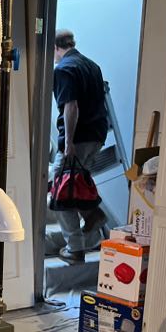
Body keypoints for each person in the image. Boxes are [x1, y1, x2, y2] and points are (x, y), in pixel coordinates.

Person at [51, 29, 109, 263]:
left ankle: (75, 249)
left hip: (79, 138)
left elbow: (71, 106)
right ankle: (93, 214)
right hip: (96, 135)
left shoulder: (64, 69)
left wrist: (69, 143)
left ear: (56, 47)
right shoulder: (92, 65)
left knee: (60, 191)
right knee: (75, 184)